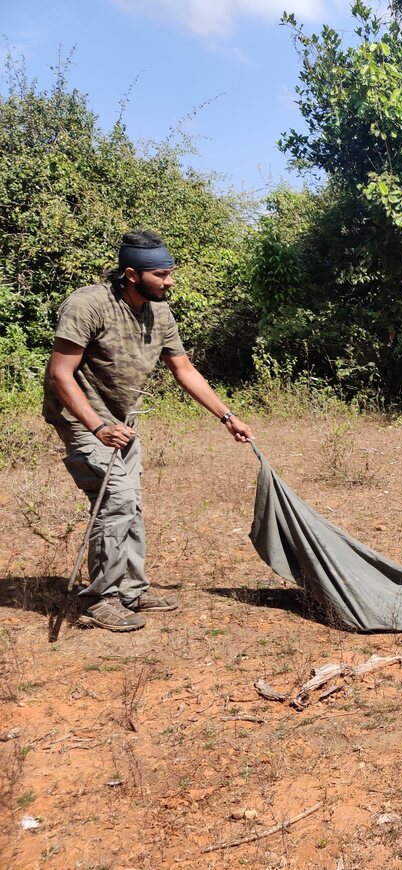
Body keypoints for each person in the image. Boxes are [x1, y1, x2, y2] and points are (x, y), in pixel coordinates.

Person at [43, 229, 254, 632]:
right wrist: (98, 425)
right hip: (82, 418)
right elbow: (60, 374)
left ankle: (132, 589)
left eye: (170, 272)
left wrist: (227, 417)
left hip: (122, 422)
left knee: (130, 504)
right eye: (162, 275)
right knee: (115, 500)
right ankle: (100, 599)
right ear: (132, 274)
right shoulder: (88, 305)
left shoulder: (160, 312)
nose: (170, 282)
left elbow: (184, 370)